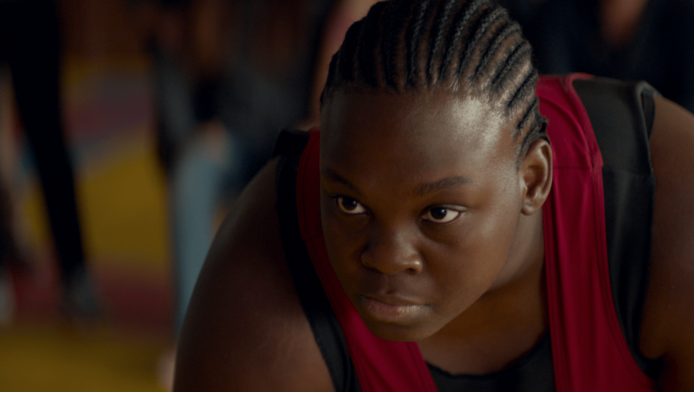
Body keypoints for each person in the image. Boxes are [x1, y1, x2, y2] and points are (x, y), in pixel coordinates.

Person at [173, 0, 693, 390]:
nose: (386, 256)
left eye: (438, 212)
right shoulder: (271, 259)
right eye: (350, 203)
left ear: (533, 180)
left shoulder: (669, 213)